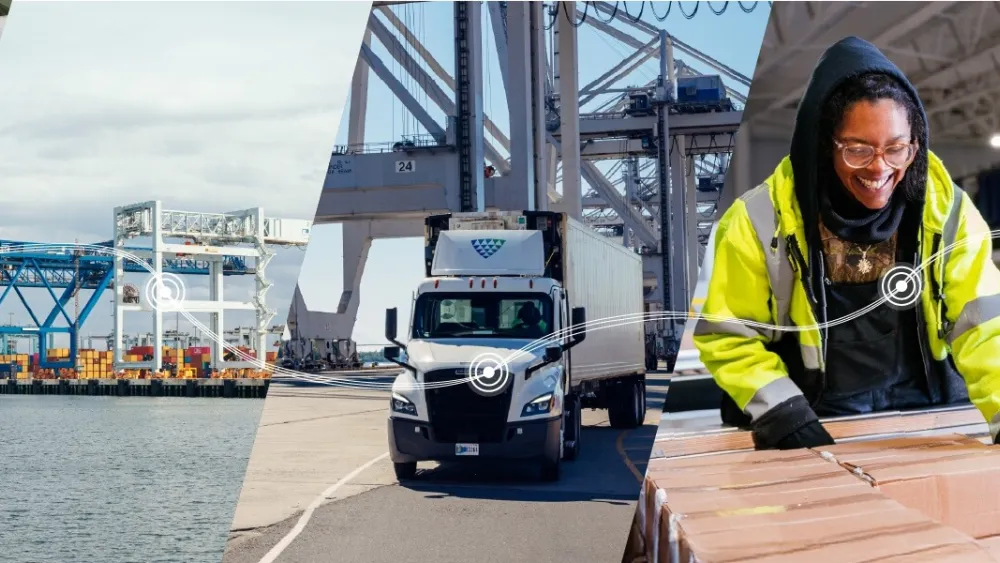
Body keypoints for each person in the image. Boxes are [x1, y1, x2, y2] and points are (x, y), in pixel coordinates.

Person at [694, 36, 1000, 450]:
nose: (880, 168)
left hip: (929, 413)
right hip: (814, 419)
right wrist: (781, 411)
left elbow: (984, 326)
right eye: (858, 150)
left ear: (916, 143)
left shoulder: (948, 213)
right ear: (825, 144)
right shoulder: (759, 220)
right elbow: (727, 334)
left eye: (897, 149)